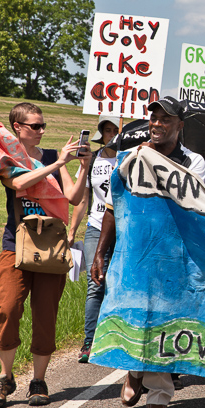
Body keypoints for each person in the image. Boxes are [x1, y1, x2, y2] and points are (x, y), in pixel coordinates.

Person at [92, 96, 205, 408]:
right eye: (153, 118)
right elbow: (114, 206)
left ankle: (158, 398)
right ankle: (135, 368)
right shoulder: (130, 158)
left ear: (179, 126)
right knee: (136, 316)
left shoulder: (193, 162)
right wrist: (101, 251)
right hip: (136, 254)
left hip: (175, 256)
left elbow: (198, 207)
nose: (157, 124)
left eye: (165, 120)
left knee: (166, 323)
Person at [0, 103, 91, 408]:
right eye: (35, 126)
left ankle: (39, 380)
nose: (42, 131)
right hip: (15, 244)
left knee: (46, 314)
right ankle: (5, 377)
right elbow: (18, 183)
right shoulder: (6, 157)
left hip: (51, 247)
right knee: (7, 307)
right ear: (18, 127)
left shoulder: (52, 156)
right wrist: (57, 165)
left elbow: (73, 197)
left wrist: (82, 167)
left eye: (43, 125)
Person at [68, 116, 119, 363]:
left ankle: (117, 336)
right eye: (107, 130)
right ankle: (89, 341)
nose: (111, 134)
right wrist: (71, 230)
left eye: (115, 130)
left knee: (119, 283)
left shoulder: (130, 157)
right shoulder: (93, 159)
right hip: (96, 227)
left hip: (124, 229)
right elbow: (83, 199)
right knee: (95, 282)